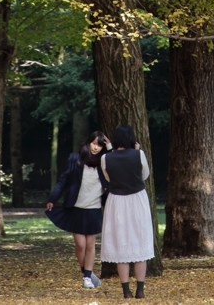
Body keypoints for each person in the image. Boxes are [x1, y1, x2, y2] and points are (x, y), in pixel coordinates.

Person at [46, 131, 111, 289]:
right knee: (80, 244)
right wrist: (52, 198)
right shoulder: (75, 158)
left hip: (94, 209)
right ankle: (86, 272)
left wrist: (109, 147)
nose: (96, 147)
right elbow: (63, 181)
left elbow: (116, 159)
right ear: (88, 142)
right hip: (76, 207)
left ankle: (87, 278)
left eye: (100, 145)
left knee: (90, 244)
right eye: (94, 143)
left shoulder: (104, 161)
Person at [101, 124, 154, 299]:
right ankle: (140, 289)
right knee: (140, 243)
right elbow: (144, 175)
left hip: (116, 201)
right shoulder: (139, 154)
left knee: (120, 246)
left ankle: (126, 291)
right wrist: (137, 151)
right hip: (137, 199)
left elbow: (109, 177)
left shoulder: (106, 158)